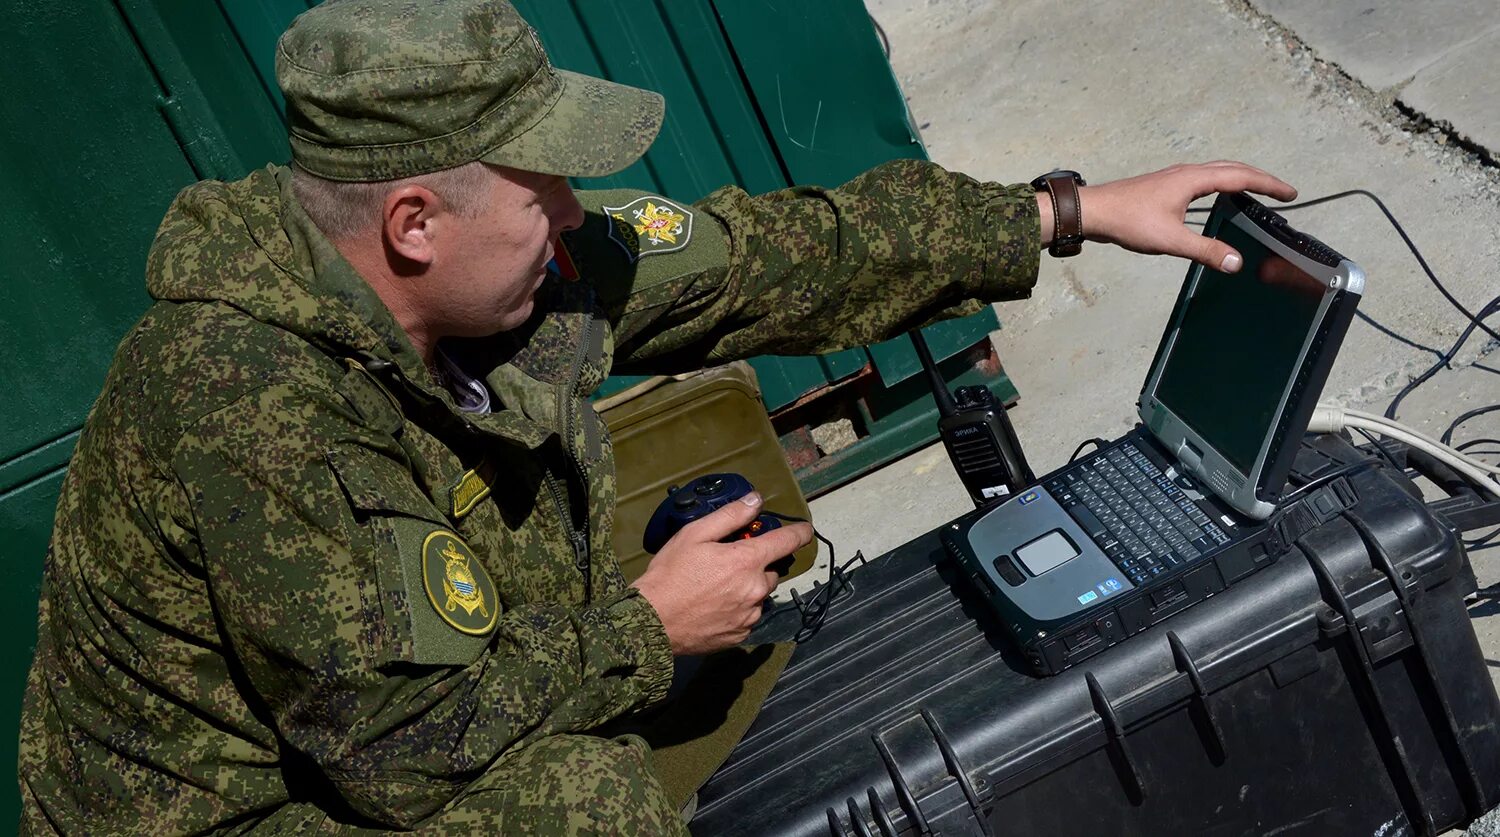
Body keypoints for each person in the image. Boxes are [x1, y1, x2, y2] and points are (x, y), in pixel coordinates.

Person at [16, 0, 1296, 832]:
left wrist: (1058, 212)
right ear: (414, 223)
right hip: (249, 811)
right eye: (545, 190)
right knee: (580, 808)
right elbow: (395, 746)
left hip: (380, 711)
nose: (577, 216)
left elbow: (760, 258)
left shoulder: (494, 273)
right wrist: (643, 628)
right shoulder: (251, 409)